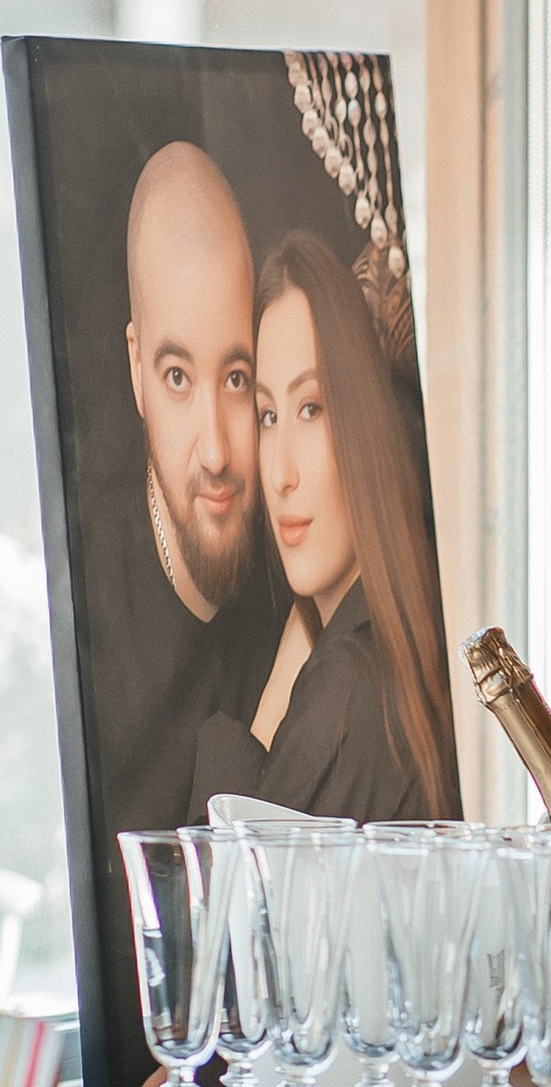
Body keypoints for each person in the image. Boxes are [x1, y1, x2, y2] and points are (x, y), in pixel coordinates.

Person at [83, 140, 286, 1087]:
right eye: (176, 377)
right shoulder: (87, 621)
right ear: (133, 367)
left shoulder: (304, 578)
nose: (214, 447)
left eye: (237, 377)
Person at [191, 228, 460, 821]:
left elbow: (215, 909)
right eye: (267, 416)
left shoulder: (351, 690)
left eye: (311, 408)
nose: (280, 472)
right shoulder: (396, 659)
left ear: (367, 425)